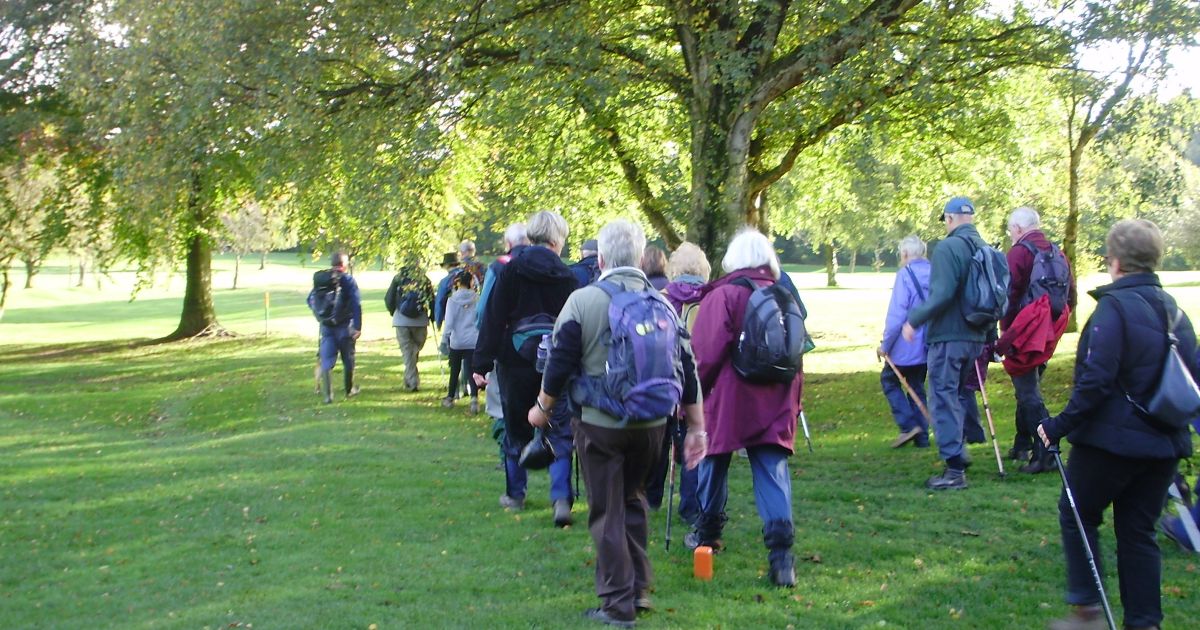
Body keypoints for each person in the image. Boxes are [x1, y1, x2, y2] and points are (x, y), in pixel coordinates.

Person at [529, 219, 707, 628]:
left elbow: (559, 362)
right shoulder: (663, 302)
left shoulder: (584, 300)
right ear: (641, 256)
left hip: (600, 425)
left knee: (605, 510)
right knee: (633, 500)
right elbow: (688, 366)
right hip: (654, 424)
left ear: (603, 258)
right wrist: (697, 426)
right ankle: (639, 589)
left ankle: (616, 604)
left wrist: (542, 407)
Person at [1037, 219, 1197, 630]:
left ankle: (1086, 609)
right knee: (1137, 533)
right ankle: (1144, 623)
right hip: (1162, 443)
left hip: (1110, 444)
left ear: (1115, 261)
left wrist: (1058, 425)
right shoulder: (1175, 312)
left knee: (1076, 512)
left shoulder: (1114, 308)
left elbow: (1096, 380)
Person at [686, 227, 802, 588]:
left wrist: (690, 400)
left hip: (729, 396)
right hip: (776, 396)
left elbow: (703, 355)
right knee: (772, 471)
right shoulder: (785, 295)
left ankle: (706, 538)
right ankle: (782, 559)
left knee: (713, 464)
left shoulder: (723, 295)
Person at [472, 211, 577, 527]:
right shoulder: (569, 277)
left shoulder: (511, 270)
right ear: (558, 241)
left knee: (515, 424)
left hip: (514, 359)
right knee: (558, 425)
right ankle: (561, 498)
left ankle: (515, 494)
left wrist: (481, 364)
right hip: (556, 361)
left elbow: (492, 318)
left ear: (530, 237)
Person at [902, 196, 994, 490]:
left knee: (941, 396)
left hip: (949, 336)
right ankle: (959, 451)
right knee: (955, 394)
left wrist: (913, 320)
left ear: (950, 219)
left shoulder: (947, 248)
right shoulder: (986, 247)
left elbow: (941, 295)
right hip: (976, 337)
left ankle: (954, 470)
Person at [1000, 206, 1077, 474]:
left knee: (1028, 391)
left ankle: (1045, 452)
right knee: (1028, 386)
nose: (1010, 234)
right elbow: (1072, 294)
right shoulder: (1056, 252)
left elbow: (1008, 296)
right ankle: (1021, 444)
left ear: (1019, 229)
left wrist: (1007, 333)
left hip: (1025, 329)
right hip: (1049, 330)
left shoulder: (1019, 252)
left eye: (1011, 229)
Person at [644, 241, 711, 524]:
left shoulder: (659, 297)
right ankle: (691, 506)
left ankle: (651, 498)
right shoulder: (712, 299)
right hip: (700, 381)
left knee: (658, 442)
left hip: (664, 378)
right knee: (693, 444)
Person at [477, 224, 530, 465]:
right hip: (542, 348)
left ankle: (508, 455)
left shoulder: (500, 266)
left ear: (508, 244)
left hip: (508, 348)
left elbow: (484, 311)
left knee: (502, 404)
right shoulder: (546, 266)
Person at [877, 235, 932, 448]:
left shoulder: (905, 275)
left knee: (889, 381)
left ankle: (908, 426)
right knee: (916, 386)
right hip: (927, 343)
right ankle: (922, 438)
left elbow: (897, 315)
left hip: (905, 344)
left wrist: (885, 345)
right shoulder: (934, 272)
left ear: (905, 254)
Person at [310, 251, 362, 404]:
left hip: (326, 327)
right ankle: (349, 389)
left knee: (326, 359)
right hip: (345, 326)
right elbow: (356, 303)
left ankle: (328, 395)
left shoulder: (322, 280)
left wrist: (320, 316)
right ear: (344, 265)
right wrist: (357, 326)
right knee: (348, 359)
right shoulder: (347, 280)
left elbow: (310, 299)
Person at [385, 259, 435, 392]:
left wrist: (393, 312)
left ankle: (410, 379)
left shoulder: (398, 279)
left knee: (409, 352)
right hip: (420, 321)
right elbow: (431, 299)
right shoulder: (424, 279)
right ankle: (413, 382)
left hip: (401, 320)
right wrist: (433, 315)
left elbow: (388, 298)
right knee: (413, 351)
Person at [441, 270, 480, 412]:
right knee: (471, 371)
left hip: (457, 340)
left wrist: (445, 337)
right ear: (471, 282)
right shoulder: (477, 299)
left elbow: (449, 322)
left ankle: (450, 397)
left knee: (455, 369)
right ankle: (474, 399)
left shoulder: (452, 300)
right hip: (473, 339)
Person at [432, 252, 460, 329]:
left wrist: (438, 321)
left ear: (446, 266)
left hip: (451, 316)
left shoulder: (445, 281)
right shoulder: (469, 275)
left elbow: (440, 302)